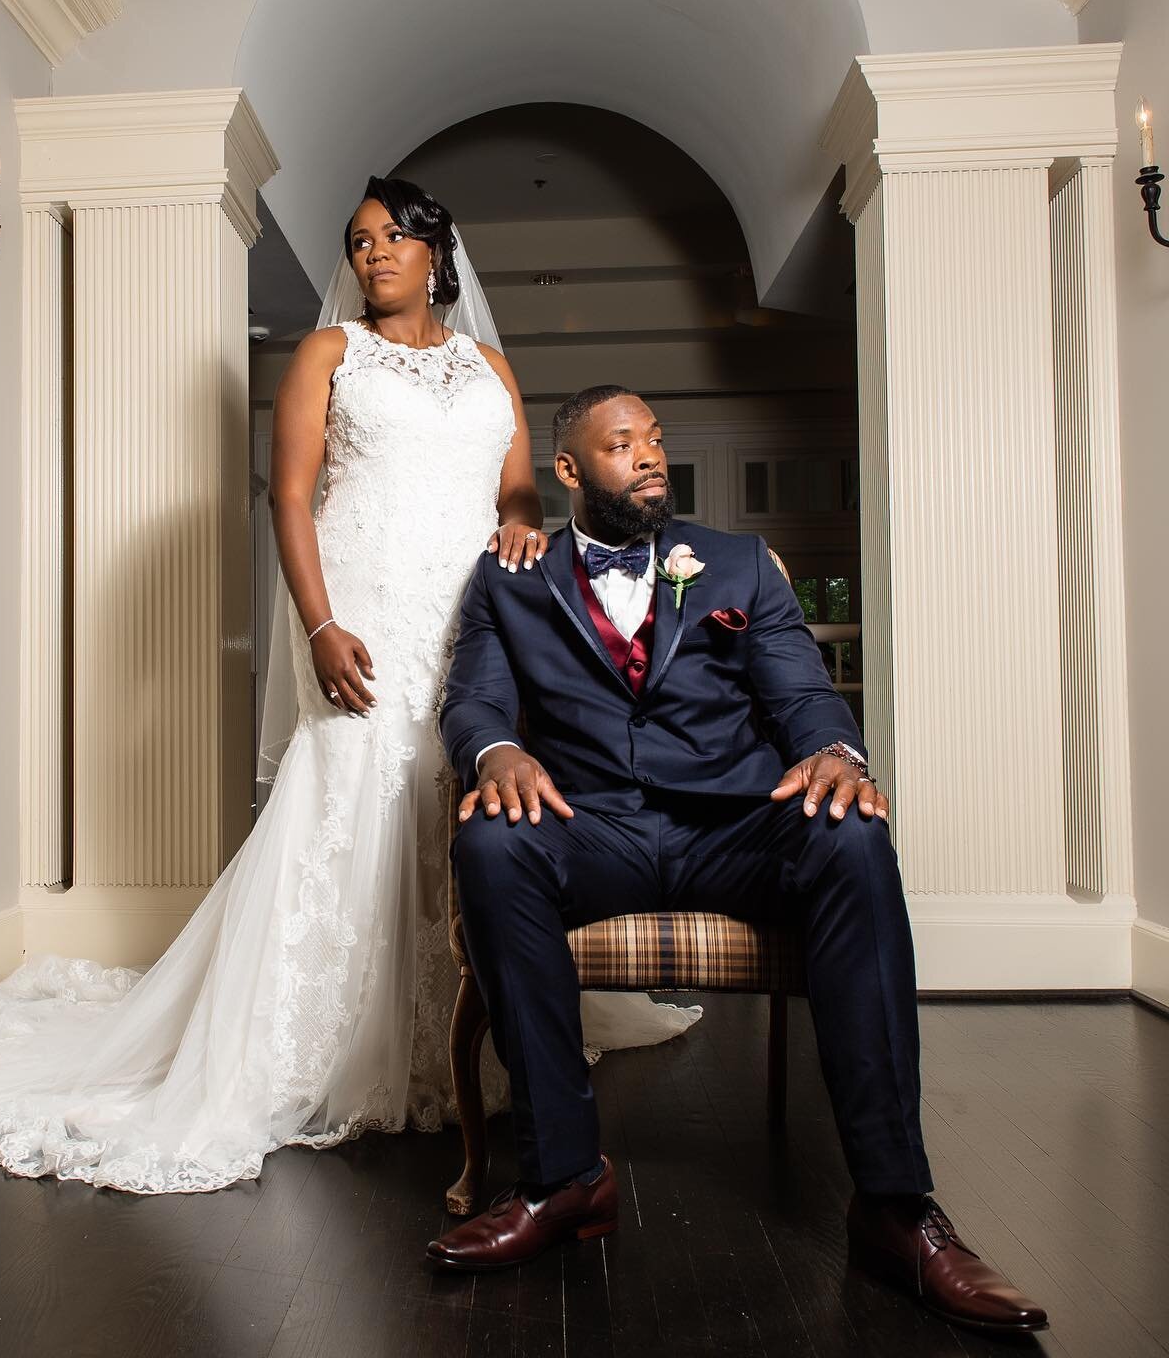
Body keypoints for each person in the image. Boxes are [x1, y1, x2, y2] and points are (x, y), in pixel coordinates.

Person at [0, 181, 695, 1193]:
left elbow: (518, 492)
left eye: (393, 236)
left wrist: (527, 525)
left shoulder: (489, 364)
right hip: (364, 610)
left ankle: (479, 1027)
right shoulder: (328, 354)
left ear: (438, 250)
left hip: (471, 622)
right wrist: (318, 624)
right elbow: (294, 494)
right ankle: (325, 1047)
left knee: (459, 808)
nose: (373, 255)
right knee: (354, 802)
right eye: (358, 242)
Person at [427, 384, 1049, 1338]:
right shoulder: (510, 578)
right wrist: (496, 752)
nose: (648, 456)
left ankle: (894, 1207)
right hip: (595, 827)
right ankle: (563, 1180)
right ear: (567, 471)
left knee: (851, 835)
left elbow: (802, 694)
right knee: (492, 841)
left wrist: (835, 757)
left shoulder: (738, 565)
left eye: (655, 439)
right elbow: (471, 699)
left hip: (734, 825)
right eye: (622, 443)